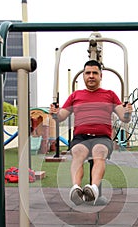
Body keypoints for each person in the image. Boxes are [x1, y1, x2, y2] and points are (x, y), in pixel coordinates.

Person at [49, 60, 132, 205]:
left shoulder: (110, 95)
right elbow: (61, 116)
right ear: (83, 76)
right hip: (81, 137)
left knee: (99, 151)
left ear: (101, 76)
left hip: (102, 137)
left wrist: (128, 112)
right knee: (78, 152)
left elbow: (124, 118)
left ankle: (93, 189)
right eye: (88, 73)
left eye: (95, 73)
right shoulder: (76, 95)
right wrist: (55, 113)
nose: (91, 76)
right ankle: (76, 188)